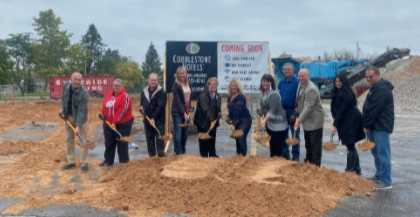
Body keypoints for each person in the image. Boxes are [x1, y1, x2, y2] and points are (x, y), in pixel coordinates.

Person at [363, 67, 394, 190]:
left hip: (381, 127)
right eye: (367, 77)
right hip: (374, 127)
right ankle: (379, 175)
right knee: (375, 153)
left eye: (371, 76)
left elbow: (375, 110)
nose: (369, 79)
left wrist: (366, 125)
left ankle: (386, 181)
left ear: (378, 75)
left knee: (383, 154)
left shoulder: (382, 90)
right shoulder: (375, 88)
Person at [330, 73, 365, 175]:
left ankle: (349, 171)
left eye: (339, 81)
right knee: (350, 145)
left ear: (344, 82)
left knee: (350, 144)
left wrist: (334, 125)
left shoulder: (347, 94)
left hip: (351, 121)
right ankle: (357, 169)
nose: (337, 83)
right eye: (336, 81)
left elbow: (342, 111)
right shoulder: (337, 92)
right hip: (345, 121)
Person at [59, 72, 89, 172]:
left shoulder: (84, 93)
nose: (77, 82)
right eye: (75, 79)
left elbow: (81, 110)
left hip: (81, 119)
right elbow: (63, 98)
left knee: (83, 140)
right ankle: (71, 161)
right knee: (69, 139)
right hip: (68, 117)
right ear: (71, 79)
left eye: (79, 80)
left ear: (81, 81)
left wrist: (77, 126)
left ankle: (84, 163)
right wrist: (62, 108)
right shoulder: (65, 86)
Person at [99, 79, 134, 166]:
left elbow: (122, 111)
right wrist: (102, 113)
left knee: (121, 142)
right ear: (113, 86)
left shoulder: (125, 97)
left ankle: (124, 162)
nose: (116, 87)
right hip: (108, 123)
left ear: (122, 86)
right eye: (115, 85)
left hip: (123, 123)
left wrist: (114, 122)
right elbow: (104, 105)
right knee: (109, 142)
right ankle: (108, 160)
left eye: (118, 86)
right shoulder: (109, 94)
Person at [294, 69, 324, 167]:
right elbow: (300, 100)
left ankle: (315, 165)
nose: (301, 78)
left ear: (308, 76)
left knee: (315, 145)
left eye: (303, 76)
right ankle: (309, 162)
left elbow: (308, 108)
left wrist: (298, 120)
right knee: (308, 144)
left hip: (314, 121)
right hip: (307, 121)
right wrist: (298, 108)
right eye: (299, 76)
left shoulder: (311, 88)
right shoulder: (300, 85)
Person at [259, 74, 288, 158]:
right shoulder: (262, 93)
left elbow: (273, 109)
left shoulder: (273, 94)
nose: (265, 83)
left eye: (268, 81)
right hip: (270, 122)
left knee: (277, 143)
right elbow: (264, 107)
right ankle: (273, 159)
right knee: (272, 142)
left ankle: (278, 160)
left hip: (278, 123)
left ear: (271, 83)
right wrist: (260, 110)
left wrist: (264, 120)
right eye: (264, 81)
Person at [140, 73, 167, 157]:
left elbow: (160, 106)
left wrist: (154, 117)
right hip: (147, 119)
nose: (153, 82)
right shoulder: (144, 92)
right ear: (148, 81)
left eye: (154, 80)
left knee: (159, 138)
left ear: (157, 81)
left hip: (158, 120)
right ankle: (152, 156)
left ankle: (160, 156)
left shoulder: (162, 92)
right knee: (149, 138)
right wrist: (141, 108)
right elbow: (142, 102)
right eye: (151, 80)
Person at [194, 77, 221, 158]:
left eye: (216, 84)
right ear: (208, 85)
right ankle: (204, 157)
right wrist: (211, 119)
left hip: (212, 122)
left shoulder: (218, 96)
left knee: (212, 139)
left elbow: (218, 107)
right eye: (212, 84)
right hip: (203, 122)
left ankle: (212, 154)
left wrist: (219, 113)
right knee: (203, 141)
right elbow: (206, 109)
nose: (214, 86)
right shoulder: (203, 95)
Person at [278, 63, 301, 161]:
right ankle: (285, 153)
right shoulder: (281, 82)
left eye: (288, 69)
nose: (286, 71)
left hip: (293, 110)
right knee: (283, 132)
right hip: (282, 110)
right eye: (285, 69)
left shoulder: (297, 82)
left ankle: (295, 155)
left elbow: (300, 98)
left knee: (295, 133)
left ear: (292, 70)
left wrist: (295, 113)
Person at [226, 79, 252, 156]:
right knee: (237, 139)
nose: (233, 87)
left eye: (235, 86)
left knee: (241, 139)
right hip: (236, 121)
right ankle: (238, 155)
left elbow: (238, 110)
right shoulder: (229, 97)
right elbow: (231, 110)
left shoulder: (241, 97)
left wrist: (233, 123)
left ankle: (243, 157)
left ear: (238, 87)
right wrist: (229, 118)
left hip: (245, 121)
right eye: (232, 86)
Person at [171, 66, 191, 155]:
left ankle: (183, 151)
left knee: (185, 134)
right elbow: (177, 101)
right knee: (178, 133)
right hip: (177, 112)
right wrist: (183, 112)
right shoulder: (175, 85)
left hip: (187, 112)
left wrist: (189, 109)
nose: (182, 75)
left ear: (186, 74)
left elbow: (188, 98)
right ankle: (178, 153)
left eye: (183, 73)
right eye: (180, 73)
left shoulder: (188, 84)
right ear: (177, 75)